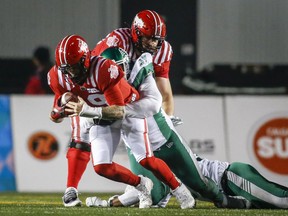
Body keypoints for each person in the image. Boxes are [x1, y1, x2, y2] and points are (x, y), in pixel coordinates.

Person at [85, 47, 249, 209]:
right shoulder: (100, 83)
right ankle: (110, 203)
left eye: (118, 68)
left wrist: (115, 111)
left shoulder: (139, 74)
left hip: (163, 138)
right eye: (109, 69)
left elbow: (152, 105)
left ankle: (223, 200)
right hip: (137, 141)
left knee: (201, 185)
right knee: (151, 192)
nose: (114, 73)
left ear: (126, 66)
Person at [48, 34, 194, 209]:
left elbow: (119, 111)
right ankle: (141, 184)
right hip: (100, 117)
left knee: (146, 160)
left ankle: (180, 191)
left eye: (74, 68)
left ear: (85, 60)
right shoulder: (57, 76)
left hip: (128, 112)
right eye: (66, 69)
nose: (71, 74)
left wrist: (85, 111)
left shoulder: (103, 69)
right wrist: (59, 111)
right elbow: (56, 110)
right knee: (101, 167)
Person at [90, 154, 288, 209]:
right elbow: (152, 195)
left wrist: (106, 203)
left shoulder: (156, 158)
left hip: (231, 178)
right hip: (226, 193)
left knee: (281, 201)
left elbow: (152, 192)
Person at [92, 10, 182, 126]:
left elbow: (164, 93)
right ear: (136, 33)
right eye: (148, 38)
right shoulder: (119, 41)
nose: (152, 44)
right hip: (100, 88)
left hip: (129, 94)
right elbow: (102, 77)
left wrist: (167, 119)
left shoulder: (163, 50)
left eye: (156, 40)